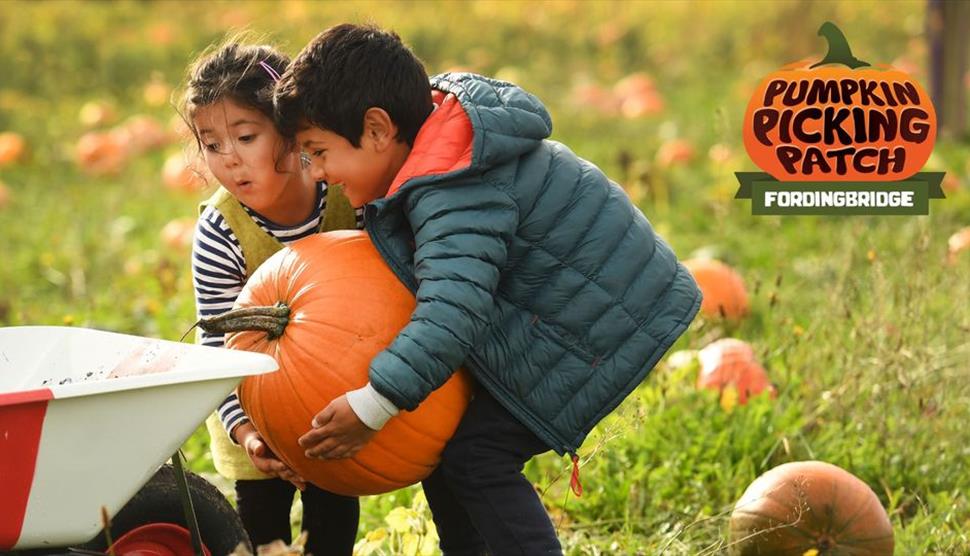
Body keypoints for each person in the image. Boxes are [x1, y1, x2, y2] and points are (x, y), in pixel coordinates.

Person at [275, 23, 702, 556]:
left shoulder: (453, 190)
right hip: (572, 303)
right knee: (448, 453)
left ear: (379, 129)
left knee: (477, 458)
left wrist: (374, 403)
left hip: (602, 322)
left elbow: (452, 312)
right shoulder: (441, 145)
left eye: (318, 152)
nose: (315, 173)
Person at [181, 40, 360, 554]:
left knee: (331, 525)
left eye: (245, 136)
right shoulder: (222, 231)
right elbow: (214, 346)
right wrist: (248, 434)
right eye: (211, 144)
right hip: (252, 413)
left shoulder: (346, 194)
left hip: (336, 406)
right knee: (264, 535)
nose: (228, 159)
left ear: (290, 129)